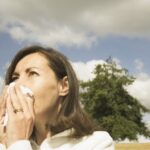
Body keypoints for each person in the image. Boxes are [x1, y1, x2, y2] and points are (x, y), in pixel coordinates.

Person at [0, 45, 114, 150]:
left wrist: (18, 143)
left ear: (63, 86)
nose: (17, 84)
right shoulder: (5, 142)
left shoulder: (97, 142)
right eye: (15, 78)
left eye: (33, 73)